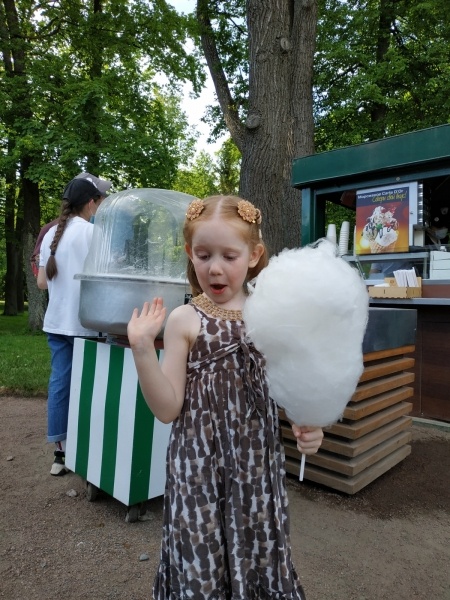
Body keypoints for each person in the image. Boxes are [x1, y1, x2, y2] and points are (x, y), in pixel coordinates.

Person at [127, 195, 324, 599]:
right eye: (203, 255)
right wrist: (143, 349)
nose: (215, 268)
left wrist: (308, 423)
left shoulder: (269, 315)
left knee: (258, 548)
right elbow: (167, 409)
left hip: (256, 468)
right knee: (202, 553)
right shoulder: (185, 319)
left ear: (254, 255)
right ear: (189, 253)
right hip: (197, 471)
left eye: (229, 256)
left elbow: (288, 388)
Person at [37, 177, 107, 476]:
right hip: (86, 325)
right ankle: (88, 450)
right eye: (100, 200)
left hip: (56, 324)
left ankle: (60, 454)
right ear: (91, 202)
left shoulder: (52, 232)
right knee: (89, 388)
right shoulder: (94, 233)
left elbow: (42, 282)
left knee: (60, 385)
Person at [30, 172, 112, 276]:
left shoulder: (50, 233)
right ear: (91, 203)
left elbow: (43, 281)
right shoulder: (92, 231)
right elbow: (106, 274)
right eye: (98, 202)